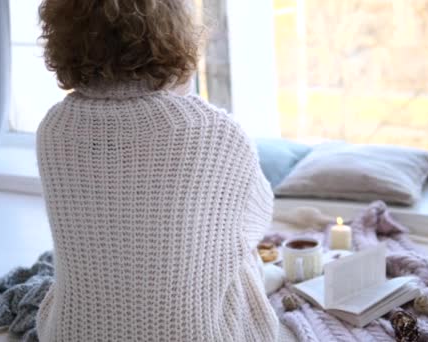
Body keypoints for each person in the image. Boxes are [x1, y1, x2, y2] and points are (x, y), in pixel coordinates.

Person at [35, 0, 279, 341]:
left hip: (77, 331)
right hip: (198, 333)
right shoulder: (215, 132)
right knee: (238, 248)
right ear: (174, 31)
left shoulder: (54, 130)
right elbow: (257, 217)